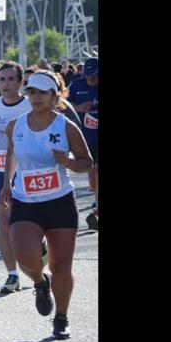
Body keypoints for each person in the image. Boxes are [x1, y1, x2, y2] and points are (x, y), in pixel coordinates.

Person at [0, 69, 93, 339]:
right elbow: (11, 154)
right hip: (26, 201)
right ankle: (41, 284)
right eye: (32, 92)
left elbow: (86, 163)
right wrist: (7, 183)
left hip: (60, 201)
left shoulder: (66, 126)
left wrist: (68, 162)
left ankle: (61, 318)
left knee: (62, 265)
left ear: (55, 96)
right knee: (25, 257)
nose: (36, 97)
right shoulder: (15, 125)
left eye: (42, 92)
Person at [0, 61, 47, 294]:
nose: (5, 84)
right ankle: (12, 275)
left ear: (20, 82)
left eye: (10, 79)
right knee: (4, 221)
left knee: (28, 222)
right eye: (1, 80)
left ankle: (40, 244)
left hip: (27, 169)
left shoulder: (30, 106)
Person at [67, 57, 98, 230]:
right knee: (92, 176)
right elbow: (62, 102)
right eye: (88, 76)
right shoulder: (77, 84)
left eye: (94, 76)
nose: (90, 80)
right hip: (85, 136)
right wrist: (77, 108)